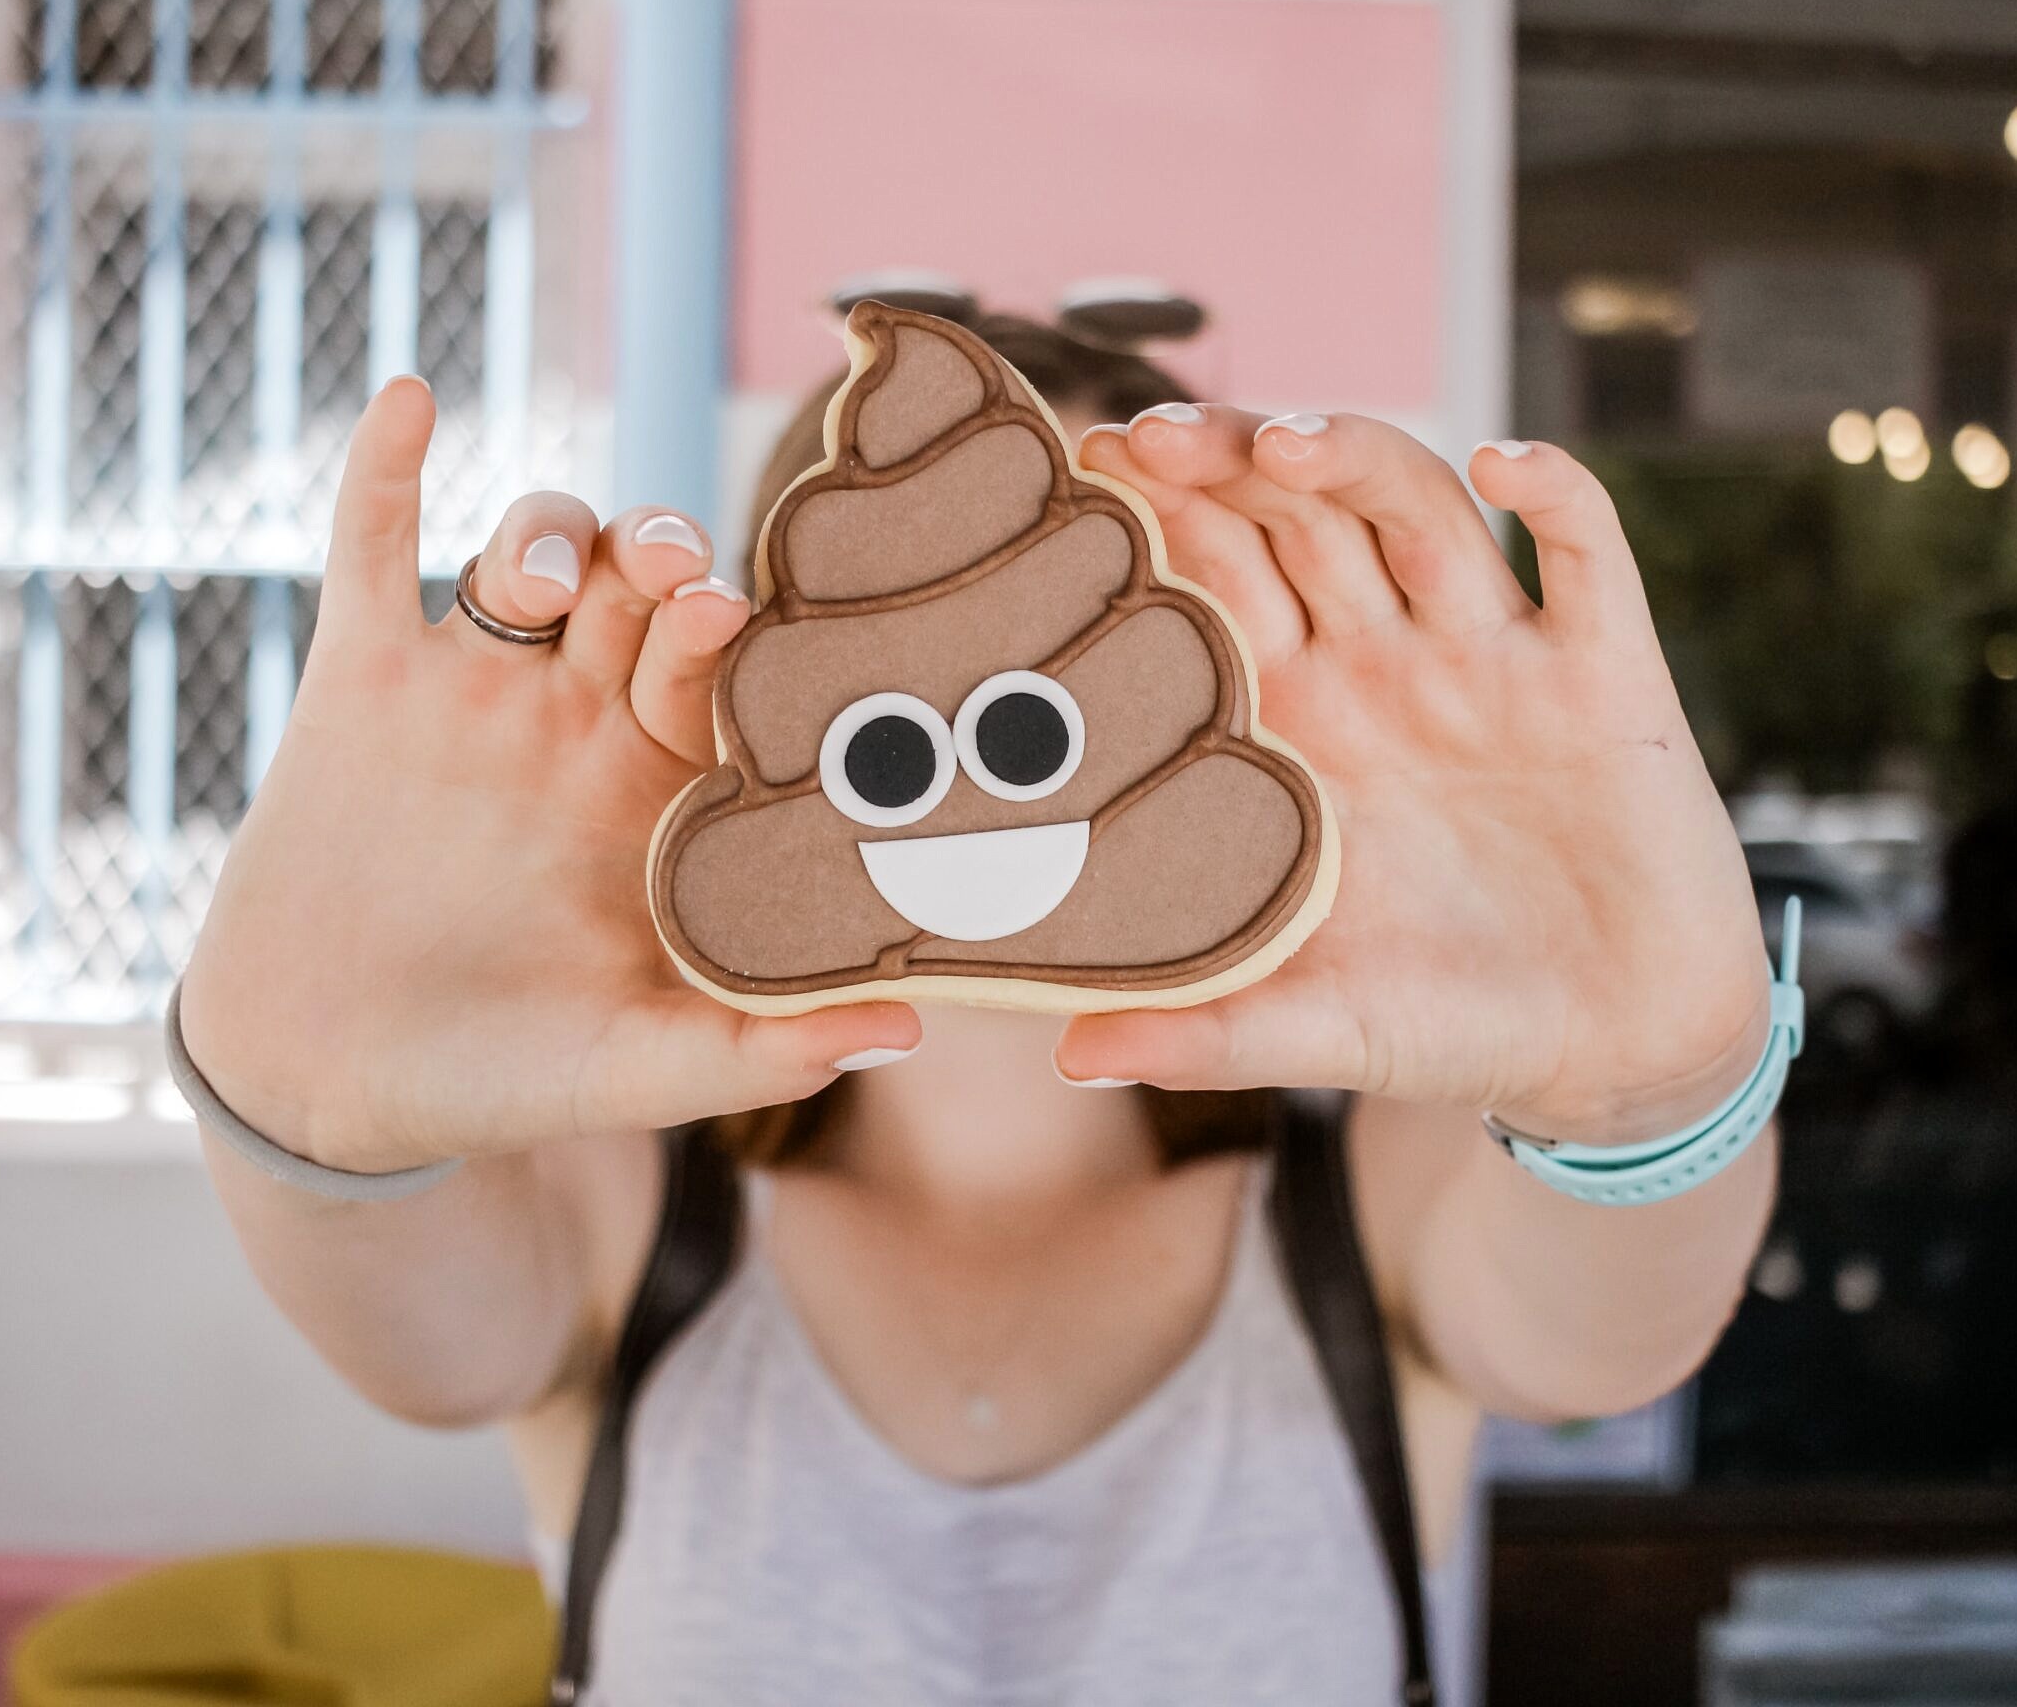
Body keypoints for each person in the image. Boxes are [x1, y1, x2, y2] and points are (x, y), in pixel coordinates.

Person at [178, 308, 1781, 1704]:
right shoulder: (620, 1209)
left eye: (1092, 632)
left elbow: (1597, 1339)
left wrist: (1658, 1087)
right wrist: (296, 1109)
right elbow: (427, 1342)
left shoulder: (1373, 1199)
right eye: (916, 642)